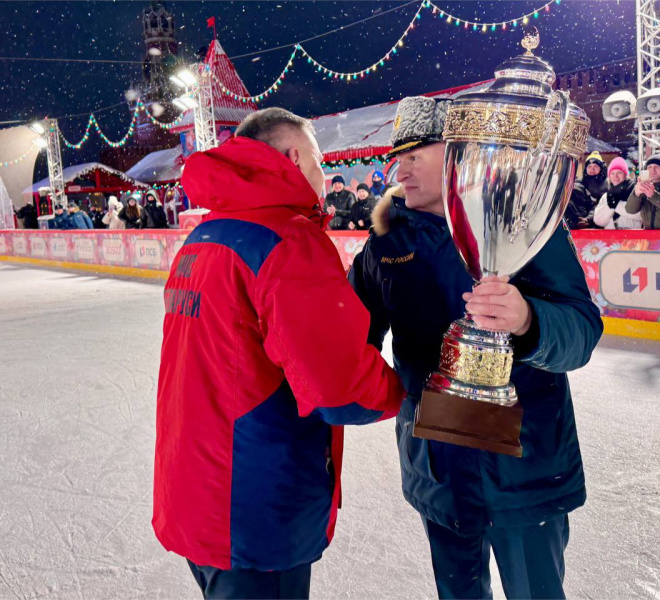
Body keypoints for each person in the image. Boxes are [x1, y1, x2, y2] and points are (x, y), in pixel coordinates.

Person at [349, 96, 603, 600]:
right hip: (438, 468)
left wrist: (529, 321)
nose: (402, 167)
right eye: (399, 155)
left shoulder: (528, 226)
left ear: (459, 155)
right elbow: (349, 342)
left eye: (417, 153)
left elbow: (580, 330)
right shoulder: (384, 249)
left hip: (524, 465)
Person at [153, 107, 405, 600]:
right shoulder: (287, 239)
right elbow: (340, 385)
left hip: (196, 489)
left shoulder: (204, 238)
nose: (322, 171)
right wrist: (412, 393)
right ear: (293, 156)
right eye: (318, 158)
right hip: (253, 503)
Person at [593, 157, 640, 229]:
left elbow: (641, 216)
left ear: (625, 175)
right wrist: (610, 206)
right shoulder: (606, 196)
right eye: (612, 173)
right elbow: (598, 221)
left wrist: (617, 205)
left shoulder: (636, 192)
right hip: (611, 236)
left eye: (619, 172)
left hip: (633, 237)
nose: (616, 176)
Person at [565, 151, 607, 229]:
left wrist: (589, 219)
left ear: (601, 168)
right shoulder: (579, 184)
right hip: (582, 219)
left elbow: (602, 205)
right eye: (589, 166)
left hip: (599, 219)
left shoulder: (606, 185)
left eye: (595, 166)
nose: (592, 169)